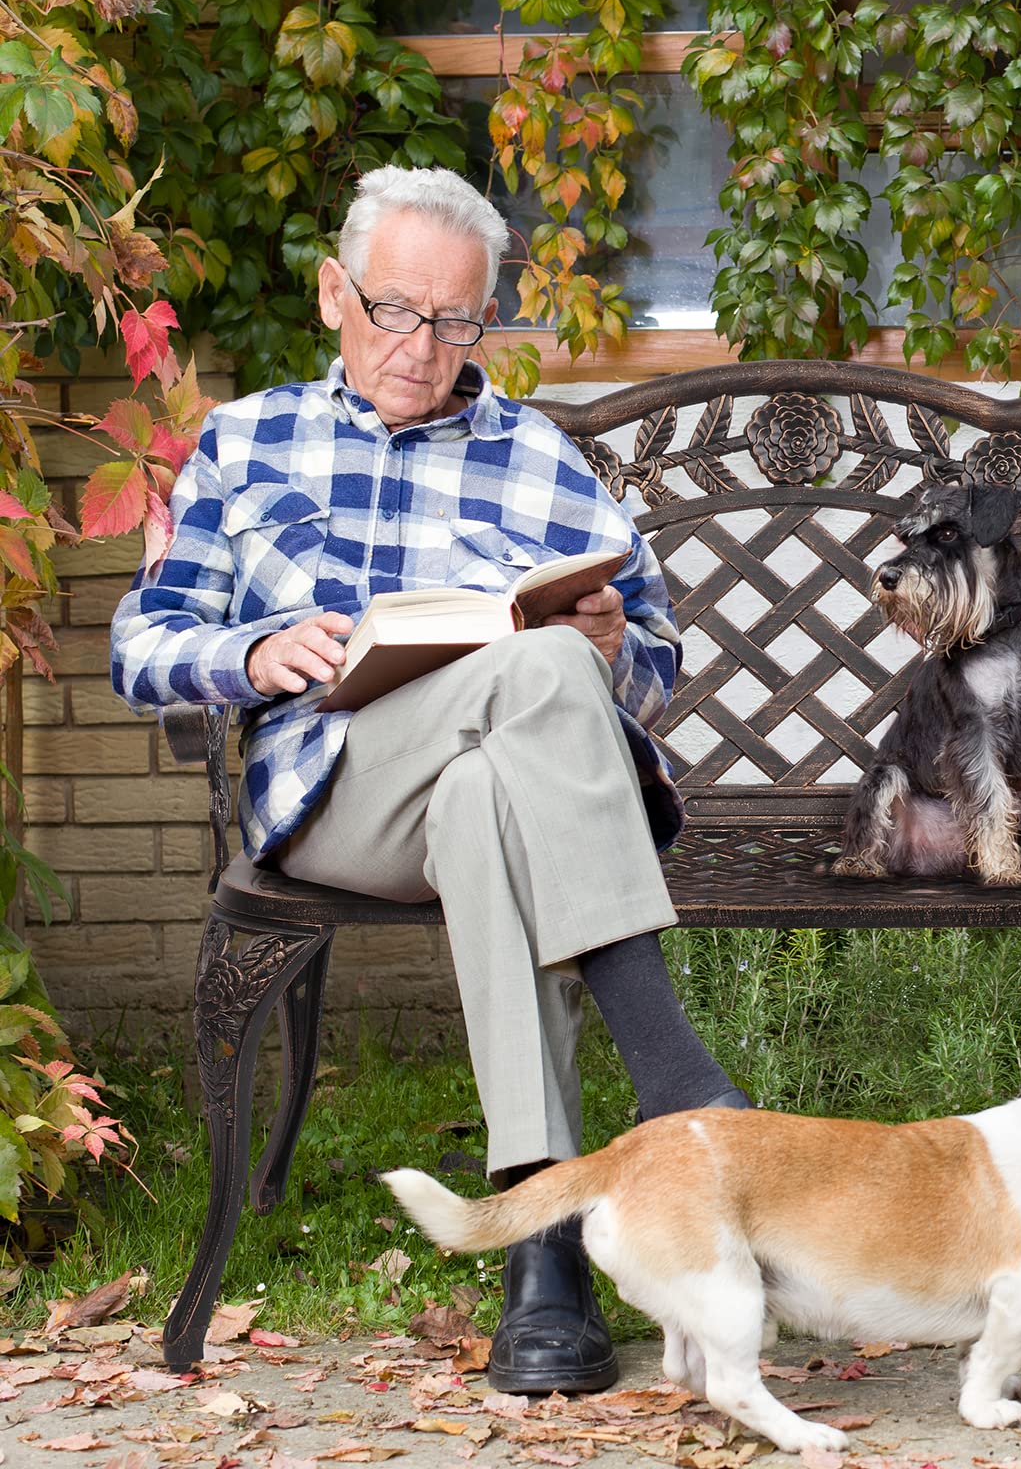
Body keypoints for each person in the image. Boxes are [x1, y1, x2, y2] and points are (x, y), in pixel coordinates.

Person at [110, 165, 749, 1395]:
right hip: (333, 792)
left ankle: (542, 1246)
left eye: (457, 320)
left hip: (493, 790)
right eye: (397, 310)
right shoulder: (245, 443)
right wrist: (251, 653)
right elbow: (141, 645)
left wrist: (614, 647)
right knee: (541, 671)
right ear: (333, 295)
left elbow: (655, 664)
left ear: (485, 319)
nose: (423, 346)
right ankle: (676, 1077)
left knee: (495, 784)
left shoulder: (539, 457)